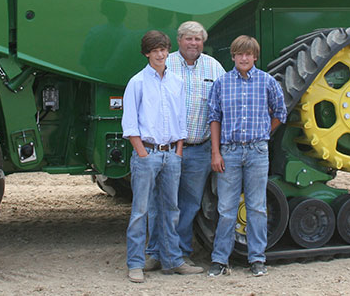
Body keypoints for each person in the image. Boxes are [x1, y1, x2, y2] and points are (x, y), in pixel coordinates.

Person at [121, 30, 203, 283]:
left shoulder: (176, 82)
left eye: (163, 49)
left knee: (171, 209)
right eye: (155, 50)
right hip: (147, 154)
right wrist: (142, 153)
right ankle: (135, 264)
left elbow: (180, 121)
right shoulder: (137, 82)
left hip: (172, 155)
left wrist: (178, 151)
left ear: (168, 51)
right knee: (141, 212)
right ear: (147, 53)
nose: (160, 53)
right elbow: (130, 122)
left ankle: (172, 260)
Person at [144, 21, 225, 270]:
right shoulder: (165, 64)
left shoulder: (214, 67)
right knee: (160, 202)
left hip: (199, 149)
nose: (193, 43)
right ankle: (155, 253)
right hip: (167, 149)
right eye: (189, 39)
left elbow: (222, 107)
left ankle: (179, 255)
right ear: (178, 41)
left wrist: (216, 149)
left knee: (189, 205)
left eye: (198, 39)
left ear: (203, 42)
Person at [206, 35, 287, 278]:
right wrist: (216, 151)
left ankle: (257, 259)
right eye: (239, 54)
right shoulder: (221, 83)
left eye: (248, 54)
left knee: (257, 207)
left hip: (257, 152)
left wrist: (263, 134)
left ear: (255, 57)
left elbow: (280, 113)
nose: (244, 58)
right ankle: (220, 259)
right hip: (229, 152)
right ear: (233, 56)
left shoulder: (267, 82)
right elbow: (214, 118)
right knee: (227, 208)